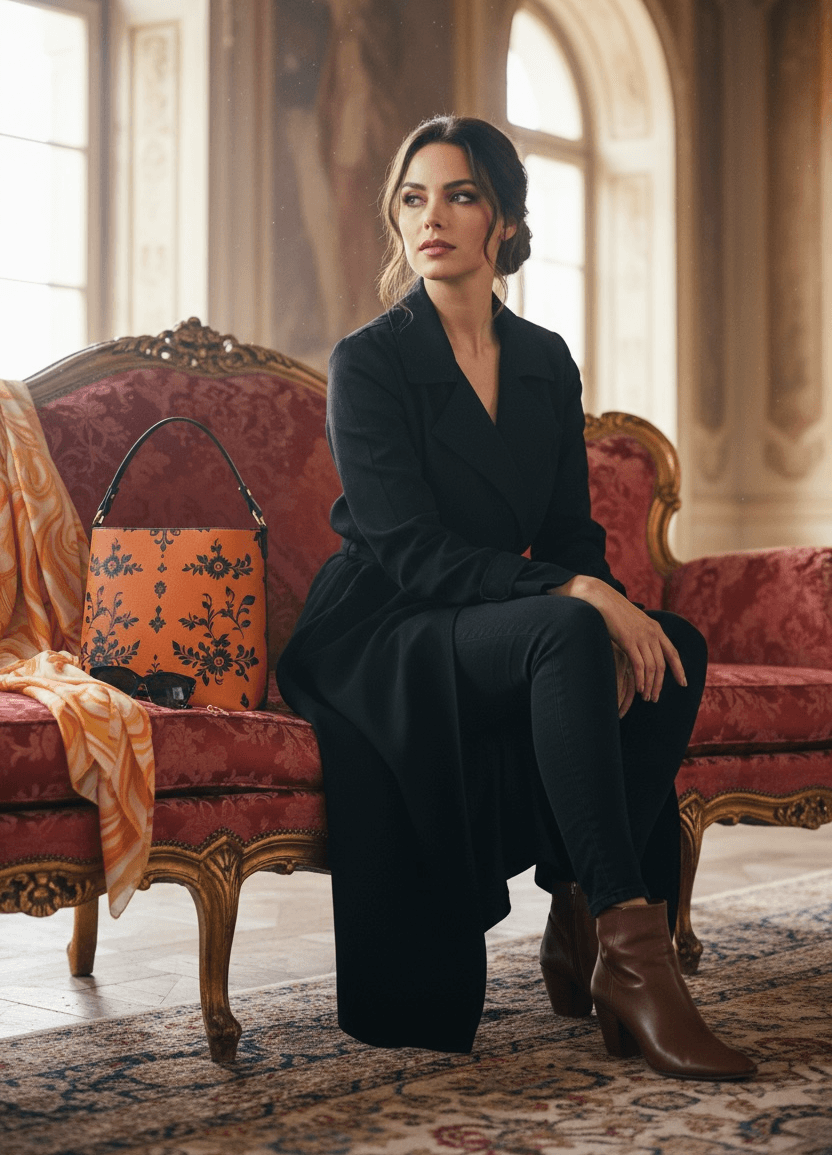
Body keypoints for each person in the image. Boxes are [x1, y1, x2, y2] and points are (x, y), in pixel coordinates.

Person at [276, 115, 755, 1080]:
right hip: (384, 627)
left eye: (459, 195)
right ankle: (634, 960)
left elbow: (575, 536)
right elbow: (409, 550)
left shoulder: (543, 359)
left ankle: (582, 911)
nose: (432, 218)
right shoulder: (370, 360)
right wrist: (577, 595)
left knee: (672, 647)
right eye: (414, 198)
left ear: (503, 219)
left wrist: (611, 606)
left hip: (490, 611)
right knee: (567, 628)